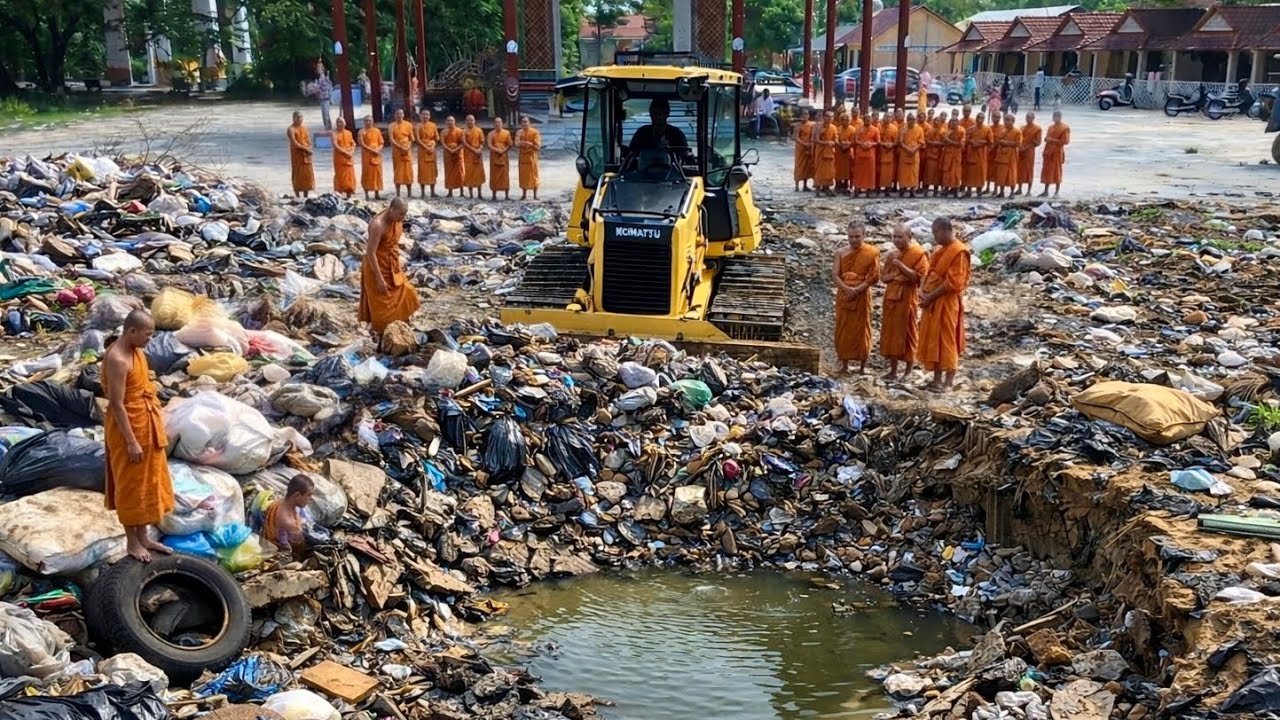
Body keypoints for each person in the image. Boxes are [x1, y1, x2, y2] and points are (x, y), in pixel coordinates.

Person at [104, 310, 174, 563]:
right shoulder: (117, 359)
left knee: (146, 483)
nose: (149, 339)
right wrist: (131, 441)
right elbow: (116, 404)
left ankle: (143, 536)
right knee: (129, 486)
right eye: (147, 334)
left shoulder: (137, 352)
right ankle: (132, 542)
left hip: (146, 424)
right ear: (131, 331)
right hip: (127, 430)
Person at [918, 217, 970, 393]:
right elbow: (929, 271)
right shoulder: (940, 251)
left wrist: (930, 296)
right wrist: (922, 291)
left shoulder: (959, 252)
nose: (934, 237)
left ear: (945, 230)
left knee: (947, 340)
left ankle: (948, 382)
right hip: (932, 302)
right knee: (934, 339)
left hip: (947, 303)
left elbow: (953, 283)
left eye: (935, 233)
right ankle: (936, 380)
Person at [358, 197, 420, 336]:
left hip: (391, 263)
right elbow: (370, 252)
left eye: (405, 214)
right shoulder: (378, 225)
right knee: (382, 306)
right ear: (391, 210)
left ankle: (399, 324)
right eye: (401, 214)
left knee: (408, 292)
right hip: (377, 267)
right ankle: (382, 334)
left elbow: (393, 241)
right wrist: (379, 279)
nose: (403, 217)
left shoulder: (395, 219)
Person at [880, 223, 929, 382]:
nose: (897, 240)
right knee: (891, 334)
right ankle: (893, 371)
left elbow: (919, 277)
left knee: (908, 333)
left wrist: (900, 266)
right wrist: (895, 275)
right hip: (891, 299)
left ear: (910, 237)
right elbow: (884, 278)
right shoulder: (891, 255)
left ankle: (908, 371)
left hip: (907, 298)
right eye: (894, 236)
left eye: (900, 237)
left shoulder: (918, 254)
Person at [832, 221, 881, 375]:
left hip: (861, 295)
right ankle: (844, 365)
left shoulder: (871, 253)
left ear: (864, 236)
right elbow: (835, 275)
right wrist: (847, 289)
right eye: (851, 237)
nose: (854, 240)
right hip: (844, 295)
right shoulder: (840, 252)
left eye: (857, 237)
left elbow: (874, 277)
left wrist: (857, 289)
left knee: (862, 329)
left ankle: (862, 367)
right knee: (843, 328)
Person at [263, 474, 314, 556]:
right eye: (308, 495)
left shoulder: (280, 502)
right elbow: (299, 549)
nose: (310, 499)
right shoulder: (288, 522)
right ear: (297, 495)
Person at [1040, 110, 1070, 197]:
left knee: (1057, 171)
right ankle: (1046, 191)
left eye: (1058, 116)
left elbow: (1066, 141)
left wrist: (1052, 140)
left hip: (1057, 152)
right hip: (1048, 151)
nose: (1056, 118)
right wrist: (1046, 139)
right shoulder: (1050, 127)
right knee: (1047, 171)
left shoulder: (1065, 128)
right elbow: (1047, 138)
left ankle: (1056, 192)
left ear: (1061, 117)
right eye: (1054, 116)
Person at [286, 111, 315, 199]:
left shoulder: (305, 128)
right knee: (297, 174)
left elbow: (308, 140)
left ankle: (306, 196)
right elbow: (294, 143)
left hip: (306, 155)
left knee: (307, 174)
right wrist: (305, 149)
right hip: (297, 154)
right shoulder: (291, 129)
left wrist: (309, 148)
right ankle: (297, 195)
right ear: (293, 118)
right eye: (297, 117)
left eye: (301, 117)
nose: (299, 119)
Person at [992, 113, 1021, 198]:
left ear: (1013, 121)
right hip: (1001, 155)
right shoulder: (1003, 131)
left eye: (1008, 120)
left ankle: (1012, 192)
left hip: (1011, 156)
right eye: (1005, 120)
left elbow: (1018, 144)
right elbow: (998, 141)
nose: (1006, 122)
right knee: (1001, 174)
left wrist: (1006, 143)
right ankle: (1001, 192)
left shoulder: (1017, 131)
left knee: (1011, 174)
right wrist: (1001, 142)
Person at [388, 108, 415, 198]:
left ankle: (409, 192)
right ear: (395, 115)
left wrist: (407, 147)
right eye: (397, 113)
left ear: (403, 115)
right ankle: (398, 193)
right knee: (397, 172)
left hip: (407, 151)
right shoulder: (391, 126)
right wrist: (400, 147)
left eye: (401, 113)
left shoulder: (408, 125)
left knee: (408, 172)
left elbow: (411, 139)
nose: (399, 115)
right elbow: (391, 139)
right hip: (397, 151)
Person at [851, 110, 878, 197]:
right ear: (863, 120)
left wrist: (871, 144)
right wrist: (861, 144)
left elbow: (877, 142)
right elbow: (855, 140)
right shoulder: (859, 129)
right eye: (866, 119)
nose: (867, 120)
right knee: (858, 172)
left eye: (869, 119)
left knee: (869, 173)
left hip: (870, 154)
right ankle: (857, 189)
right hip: (860, 153)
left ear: (871, 120)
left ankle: (868, 191)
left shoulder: (875, 129)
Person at [897, 113, 924, 198]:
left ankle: (912, 190)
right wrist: (908, 149)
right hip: (905, 153)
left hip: (915, 154)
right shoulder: (903, 129)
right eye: (909, 119)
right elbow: (900, 142)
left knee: (914, 173)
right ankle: (902, 189)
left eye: (912, 119)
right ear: (907, 120)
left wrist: (914, 149)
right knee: (903, 173)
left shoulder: (919, 129)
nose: (911, 121)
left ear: (915, 120)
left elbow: (921, 141)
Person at [963, 113, 990, 198]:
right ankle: (969, 190)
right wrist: (972, 142)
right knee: (970, 172)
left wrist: (981, 143)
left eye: (981, 118)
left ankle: (979, 190)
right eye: (978, 118)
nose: (979, 120)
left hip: (981, 154)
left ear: (983, 119)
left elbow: (990, 142)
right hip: (971, 153)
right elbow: (966, 140)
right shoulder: (970, 129)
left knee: (980, 173)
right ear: (976, 118)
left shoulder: (987, 130)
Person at [358, 116, 384, 200]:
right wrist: (372, 150)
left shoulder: (377, 131)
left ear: (372, 122)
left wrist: (378, 150)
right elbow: (362, 144)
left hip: (376, 156)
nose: (368, 122)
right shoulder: (361, 132)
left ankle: (377, 194)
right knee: (367, 174)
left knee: (377, 174)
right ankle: (366, 195)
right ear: (364, 122)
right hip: (367, 156)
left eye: (370, 121)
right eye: (366, 121)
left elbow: (381, 143)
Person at [415, 109, 439, 198]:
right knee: (422, 172)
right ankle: (423, 192)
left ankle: (433, 192)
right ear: (420, 116)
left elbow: (436, 138)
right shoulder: (417, 126)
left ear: (429, 116)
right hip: (422, 150)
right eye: (423, 114)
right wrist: (426, 147)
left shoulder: (433, 125)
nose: (425, 116)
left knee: (432, 171)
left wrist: (432, 147)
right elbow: (417, 139)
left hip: (431, 151)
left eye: (427, 114)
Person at [516, 116, 542, 200]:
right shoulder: (519, 132)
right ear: (521, 123)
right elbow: (516, 143)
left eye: (526, 122)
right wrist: (525, 143)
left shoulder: (535, 132)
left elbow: (537, 146)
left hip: (531, 157)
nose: (524, 123)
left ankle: (535, 195)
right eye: (523, 122)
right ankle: (524, 195)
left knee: (534, 175)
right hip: (523, 157)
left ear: (529, 123)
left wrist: (529, 144)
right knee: (523, 176)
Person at [488, 116, 513, 201]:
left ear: (502, 124)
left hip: (503, 156)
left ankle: (507, 195)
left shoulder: (506, 133)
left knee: (505, 176)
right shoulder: (491, 134)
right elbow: (489, 145)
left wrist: (503, 151)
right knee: (494, 176)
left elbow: (510, 144)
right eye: (496, 122)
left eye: (499, 122)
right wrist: (497, 150)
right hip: (494, 156)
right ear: (493, 124)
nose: (497, 124)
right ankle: (494, 195)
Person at [813, 111, 838, 196]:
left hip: (830, 152)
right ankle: (817, 189)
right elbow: (815, 140)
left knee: (829, 171)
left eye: (831, 117)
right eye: (827, 117)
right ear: (824, 117)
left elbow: (836, 140)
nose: (829, 119)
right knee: (819, 170)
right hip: (820, 151)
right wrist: (826, 143)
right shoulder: (818, 127)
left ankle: (827, 188)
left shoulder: (834, 128)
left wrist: (833, 142)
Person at [1017, 111, 1041, 197]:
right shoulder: (1022, 128)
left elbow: (1038, 142)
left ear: (1033, 118)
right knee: (1020, 170)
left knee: (1029, 170)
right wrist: (1020, 147)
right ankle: (1019, 188)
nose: (1028, 119)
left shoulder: (1037, 129)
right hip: (1021, 152)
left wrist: (1027, 146)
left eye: (1030, 117)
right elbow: (1019, 139)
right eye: (1027, 117)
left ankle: (1029, 190)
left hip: (1029, 152)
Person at [940, 116, 965, 197]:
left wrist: (949, 141)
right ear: (949, 123)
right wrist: (947, 139)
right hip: (947, 154)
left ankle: (955, 189)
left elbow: (961, 144)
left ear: (958, 123)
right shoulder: (946, 131)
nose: (954, 123)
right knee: (947, 172)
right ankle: (946, 189)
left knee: (956, 173)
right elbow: (943, 141)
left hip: (956, 155)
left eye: (955, 121)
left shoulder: (961, 131)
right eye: (952, 121)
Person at [332, 117, 356, 198]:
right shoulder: (334, 133)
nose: (340, 124)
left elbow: (353, 143)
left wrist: (352, 151)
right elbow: (335, 145)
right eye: (338, 122)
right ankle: (339, 195)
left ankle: (348, 194)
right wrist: (345, 152)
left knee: (349, 176)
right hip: (340, 158)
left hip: (348, 158)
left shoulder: (349, 133)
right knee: (340, 176)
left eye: (341, 122)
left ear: (345, 124)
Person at [462, 114, 486, 198]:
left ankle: (479, 194)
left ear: (474, 121)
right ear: (466, 121)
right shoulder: (464, 131)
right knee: (469, 173)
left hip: (478, 155)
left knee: (478, 173)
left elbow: (482, 141)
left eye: (471, 120)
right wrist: (473, 150)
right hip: (468, 154)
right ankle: (471, 194)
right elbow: (464, 143)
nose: (470, 121)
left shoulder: (479, 130)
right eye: (468, 120)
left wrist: (480, 148)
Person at [793, 109, 816, 192]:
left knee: (807, 167)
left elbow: (814, 135)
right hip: (800, 149)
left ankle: (805, 185)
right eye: (803, 114)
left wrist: (811, 144)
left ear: (809, 115)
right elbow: (796, 137)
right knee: (799, 167)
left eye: (806, 114)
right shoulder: (798, 126)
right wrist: (803, 143)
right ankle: (796, 185)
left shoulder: (812, 125)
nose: (805, 116)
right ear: (800, 116)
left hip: (809, 148)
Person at [441, 116, 464, 198]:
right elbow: (443, 143)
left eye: (452, 120)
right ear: (446, 122)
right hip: (448, 154)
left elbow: (462, 143)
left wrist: (456, 149)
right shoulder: (444, 132)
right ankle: (450, 192)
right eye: (448, 120)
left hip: (458, 154)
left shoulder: (460, 131)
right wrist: (450, 150)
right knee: (449, 173)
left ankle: (462, 192)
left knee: (460, 172)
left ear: (454, 121)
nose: (450, 122)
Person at [922, 114, 943, 196]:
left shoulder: (943, 131)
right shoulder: (930, 131)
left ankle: (935, 190)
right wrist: (932, 143)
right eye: (935, 120)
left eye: (938, 121)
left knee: (937, 174)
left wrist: (938, 143)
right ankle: (926, 189)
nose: (937, 122)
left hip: (938, 155)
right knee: (928, 173)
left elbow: (944, 142)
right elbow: (926, 140)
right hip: (930, 155)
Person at [877, 112, 898, 195]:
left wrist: (891, 145)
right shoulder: (879, 127)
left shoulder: (894, 128)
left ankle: (887, 189)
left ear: (891, 119)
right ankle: (877, 188)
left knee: (888, 172)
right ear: (883, 117)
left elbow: (896, 141)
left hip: (889, 152)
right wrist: (883, 144)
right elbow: (877, 139)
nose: (888, 118)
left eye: (889, 117)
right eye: (886, 117)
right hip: (880, 151)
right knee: (878, 171)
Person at [835, 113, 855, 194]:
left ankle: (846, 186)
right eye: (843, 120)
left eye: (847, 120)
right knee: (838, 170)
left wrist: (847, 145)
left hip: (848, 152)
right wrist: (840, 145)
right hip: (839, 152)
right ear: (841, 120)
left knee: (847, 170)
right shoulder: (838, 129)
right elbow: (835, 138)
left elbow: (853, 140)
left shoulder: (852, 129)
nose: (845, 121)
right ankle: (838, 185)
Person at [314, 64, 334, 130]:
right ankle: (328, 128)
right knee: (324, 114)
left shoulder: (324, 78)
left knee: (326, 114)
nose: (318, 70)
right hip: (322, 98)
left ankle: (328, 128)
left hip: (326, 98)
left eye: (320, 68)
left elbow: (327, 87)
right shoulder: (319, 78)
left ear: (322, 69)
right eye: (318, 68)